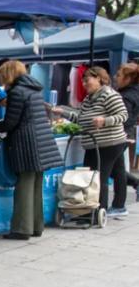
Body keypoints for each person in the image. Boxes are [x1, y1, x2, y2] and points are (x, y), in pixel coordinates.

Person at [0, 60, 63, 240]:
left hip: (26, 144)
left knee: (24, 186)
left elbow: (10, 122)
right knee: (36, 186)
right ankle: (36, 226)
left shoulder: (17, 92)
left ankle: (22, 228)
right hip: (40, 143)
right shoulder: (34, 90)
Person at [53, 66, 129, 218]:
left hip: (109, 142)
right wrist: (64, 113)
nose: (84, 84)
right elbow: (81, 119)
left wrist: (104, 120)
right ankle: (117, 207)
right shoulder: (89, 98)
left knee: (98, 177)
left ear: (99, 79)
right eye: (82, 81)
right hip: (95, 143)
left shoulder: (109, 95)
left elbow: (123, 115)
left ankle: (96, 210)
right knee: (116, 173)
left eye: (87, 80)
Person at [115, 63, 139, 196]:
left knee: (115, 170)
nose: (115, 77)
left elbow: (125, 118)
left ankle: (119, 204)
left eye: (119, 75)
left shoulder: (126, 96)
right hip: (125, 134)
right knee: (117, 168)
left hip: (120, 135)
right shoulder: (133, 92)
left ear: (128, 78)